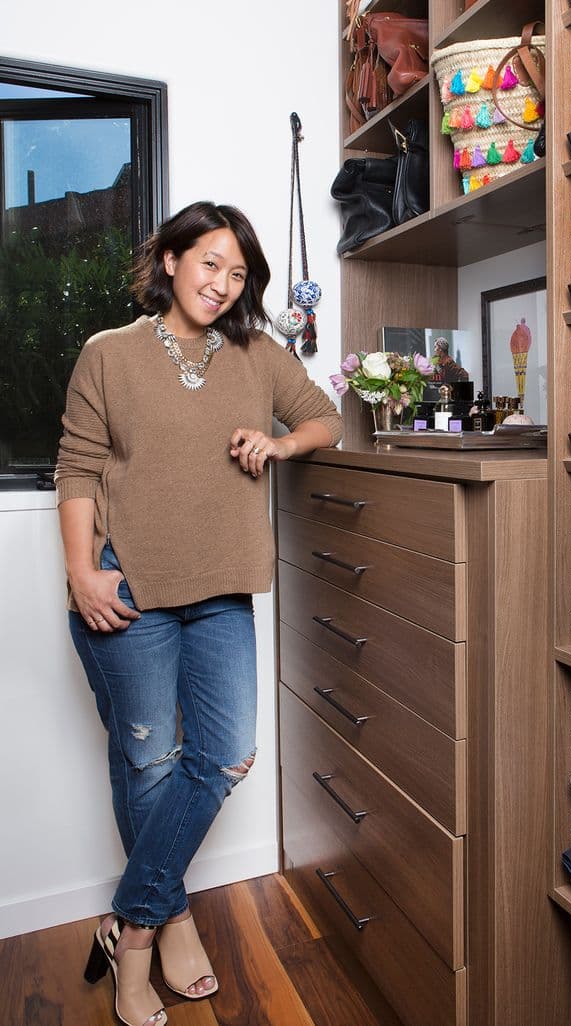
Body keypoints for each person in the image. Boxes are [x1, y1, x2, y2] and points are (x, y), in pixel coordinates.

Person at [55, 201, 343, 1026]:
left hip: (221, 590)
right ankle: (170, 919)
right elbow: (75, 470)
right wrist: (81, 573)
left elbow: (326, 412)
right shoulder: (108, 353)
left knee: (223, 754)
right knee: (147, 765)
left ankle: (130, 929)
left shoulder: (258, 355)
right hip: (129, 588)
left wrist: (282, 444)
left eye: (239, 272)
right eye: (210, 263)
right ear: (173, 260)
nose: (223, 283)